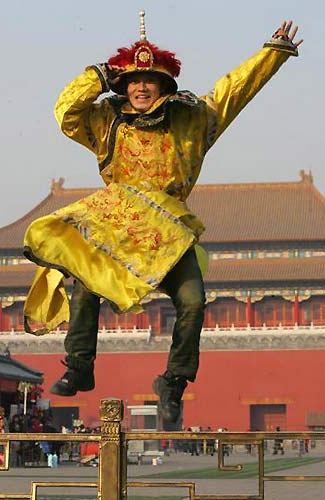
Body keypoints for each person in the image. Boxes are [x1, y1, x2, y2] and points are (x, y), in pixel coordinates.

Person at [23, 12, 303, 423]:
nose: (140, 87)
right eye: (133, 80)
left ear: (163, 85)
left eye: (148, 80)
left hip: (169, 230)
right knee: (84, 284)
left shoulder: (193, 119)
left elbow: (233, 92)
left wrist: (273, 53)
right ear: (123, 85)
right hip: (116, 221)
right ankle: (80, 365)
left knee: (194, 301)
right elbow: (66, 113)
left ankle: (173, 381)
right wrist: (98, 76)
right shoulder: (106, 121)